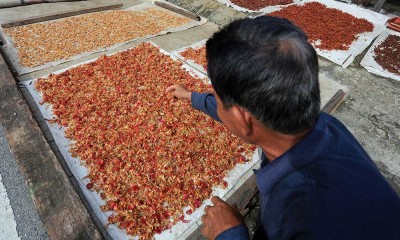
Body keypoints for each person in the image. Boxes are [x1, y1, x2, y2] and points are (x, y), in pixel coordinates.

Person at [165, 16, 400, 240]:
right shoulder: (325, 125)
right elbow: (240, 110)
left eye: (217, 99)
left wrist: (229, 233)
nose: (217, 105)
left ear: (242, 118)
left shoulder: (300, 211)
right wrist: (191, 97)